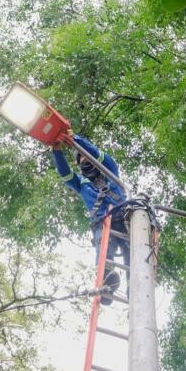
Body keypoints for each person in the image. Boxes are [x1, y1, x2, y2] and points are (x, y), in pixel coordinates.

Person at [51, 130, 128, 304]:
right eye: (81, 161)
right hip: (103, 223)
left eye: (86, 158)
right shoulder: (81, 184)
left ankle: (133, 291)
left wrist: (74, 140)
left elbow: (98, 155)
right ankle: (106, 284)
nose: (85, 161)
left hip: (124, 218)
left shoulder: (111, 172)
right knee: (103, 249)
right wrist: (57, 151)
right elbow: (65, 174)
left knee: (131, 255)